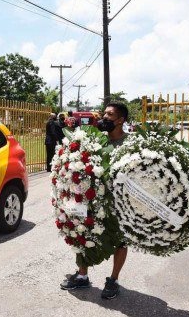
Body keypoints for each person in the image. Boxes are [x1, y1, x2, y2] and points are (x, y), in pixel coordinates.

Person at [60, 102, 129, 300]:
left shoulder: (130, 144)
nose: (104, 118)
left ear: (121, 120)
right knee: (84, 232)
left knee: (120, 241)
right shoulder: (96, 140)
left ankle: (113, 280)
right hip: (94, 199)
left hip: (119, 203)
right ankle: (82, 275)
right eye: (104, 114)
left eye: (110, 115)